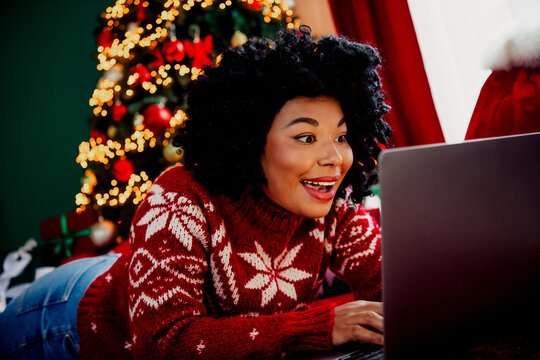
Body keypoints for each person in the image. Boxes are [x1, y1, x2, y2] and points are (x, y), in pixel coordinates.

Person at [0, 25, 391, 359]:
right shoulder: (181, 196)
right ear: (252, 140)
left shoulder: (332, 202)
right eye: (306, 137)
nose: (335, 157)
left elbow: (392, 284)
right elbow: (164, 344)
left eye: (341, 136)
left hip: (129, 273)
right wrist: (316, 326)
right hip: (64, 315)